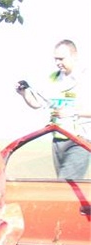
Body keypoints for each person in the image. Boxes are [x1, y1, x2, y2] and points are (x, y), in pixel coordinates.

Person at [16, 39, 91, 180]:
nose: (58, 63)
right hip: (58, 139)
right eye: (55, 59)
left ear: (74, 56)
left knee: (65, 185)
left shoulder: (86, 78)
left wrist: (73, 112)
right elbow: (38, 103)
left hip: (80, 140)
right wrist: (24, 93)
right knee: (63, 187)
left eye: (61, 59)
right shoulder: (53, 78)